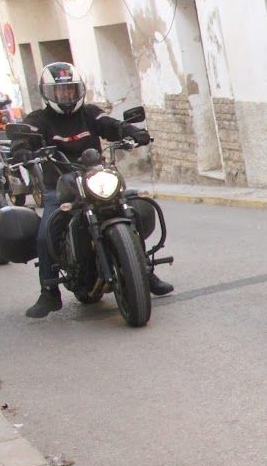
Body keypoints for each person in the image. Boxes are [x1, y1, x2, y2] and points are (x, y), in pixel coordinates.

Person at [19, 62, 173, 318]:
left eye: (70, 90)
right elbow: (25, 136)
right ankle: (48, 292)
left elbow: (109, 124)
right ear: (47, 93)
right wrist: (21, 149)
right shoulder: (39, 120)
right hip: (59, 185)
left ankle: (144, 272)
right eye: (60, 92)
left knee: (131, 209)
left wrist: (132, 131)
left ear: (79, 90)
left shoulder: (90, 113)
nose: (66, 96)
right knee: (46, 233)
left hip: (95, 176)